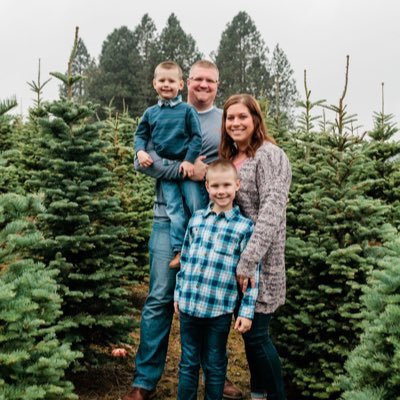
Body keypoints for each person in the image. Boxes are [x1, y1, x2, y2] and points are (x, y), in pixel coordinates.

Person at [123, 61, 244, 400]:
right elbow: (139, 160)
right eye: (197, 79)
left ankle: (218, 376)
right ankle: (145, 380)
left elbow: (233, 168)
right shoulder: (164, 112)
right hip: (166, 218)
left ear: (217, 85)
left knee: (213, 299)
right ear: (185, 82)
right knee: (160, 297)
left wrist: (206, 175)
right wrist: (185, 170)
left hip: (211, 223)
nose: (203, 85)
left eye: (210, 81)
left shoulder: (224, 121)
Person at [219, 94, 292, 400]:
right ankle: (258, 394)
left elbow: (271, 213)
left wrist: (248, 261)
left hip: (262, 261)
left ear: (256, 120)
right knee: (249, 338)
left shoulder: (270, 155)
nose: (235, 122)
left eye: (242, 117)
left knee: (258, 336)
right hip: (237, 263)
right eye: (230, 118)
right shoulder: (231, 159)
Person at [174, 159, 259, 400]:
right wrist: (178, 294)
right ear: (207, 187)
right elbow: (186, 258)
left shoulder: (244, 227)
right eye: (216, 186)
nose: (221, 191)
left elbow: (252, 274)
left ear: (237, 186)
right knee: (188, 363)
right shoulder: (197, 220)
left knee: (214, 364)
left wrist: (247, 310)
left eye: (226, 185)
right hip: (190, 306)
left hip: (218, 311)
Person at [134, 60, 203, 268]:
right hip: (164, 169)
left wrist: (189, 161)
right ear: (154, 83)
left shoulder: (187, 111)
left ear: (181, 85)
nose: (166, 84)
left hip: (184, 166)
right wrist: (140, 152)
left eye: (171, 81)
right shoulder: (150, 113)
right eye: (161, 80)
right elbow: (140, 135)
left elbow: (196, 138)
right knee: (173, 209)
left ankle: (198, 246)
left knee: (194, 205)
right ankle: (179, 251)